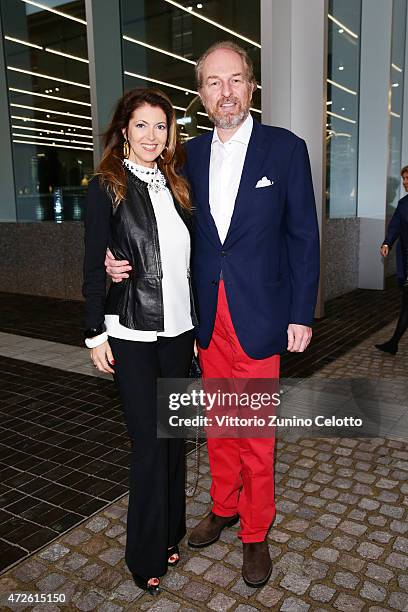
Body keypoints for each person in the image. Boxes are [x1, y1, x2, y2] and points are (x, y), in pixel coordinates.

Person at [105, 41, 320, 588]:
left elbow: (302, 238)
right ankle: (223, 506)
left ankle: (255, 531)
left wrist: (301, 312)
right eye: (214, 83)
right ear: (201, 94)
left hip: (261, 313)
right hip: (205, 320)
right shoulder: (187, 158)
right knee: (221, 424)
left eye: (237, 80)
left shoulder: (286, 149)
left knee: (255, 429)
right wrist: (113, 256)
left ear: (252, 85)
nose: (227, 92)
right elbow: (152, 220)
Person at [83, 88, 196, 595]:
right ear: (124, 130)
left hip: (179, 332)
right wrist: (94, 332)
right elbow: (92, 267)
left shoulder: (178, 185)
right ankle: (144, 553)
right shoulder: (106, 186)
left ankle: (172, 530)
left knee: (173, 442)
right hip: (130, 332)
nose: (152, 136)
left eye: (161, 126)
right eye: (142, 125)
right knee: (148, 444)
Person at [375, 165, 408, 355]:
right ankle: (393, 343)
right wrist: (387, 243)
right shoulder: (403, 204)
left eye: (407, 179)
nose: (404, 183)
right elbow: (395, 226)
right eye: (403, 179)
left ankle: (393, 343)